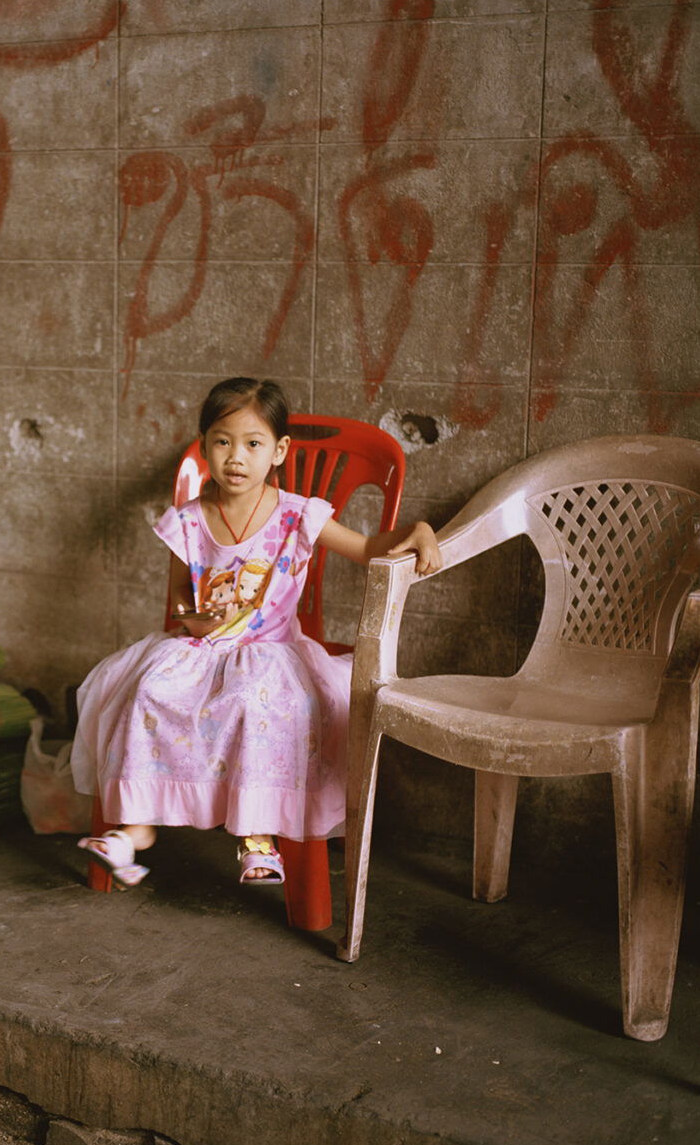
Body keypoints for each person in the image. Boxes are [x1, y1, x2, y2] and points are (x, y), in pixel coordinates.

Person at [71, 378, 442, 886]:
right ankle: (134, 830)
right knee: (148, 690)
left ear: (278, 452)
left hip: (271, 652)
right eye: (222, 442)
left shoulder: (296, 514)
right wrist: (195, 617)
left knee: (256, 702)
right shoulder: (189, 519)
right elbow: (180, 596)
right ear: (204, 448)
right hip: (203, 647)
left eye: (253, 444)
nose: (236, 457)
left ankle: (258, 836)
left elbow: (367, 548)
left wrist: (416, 531)